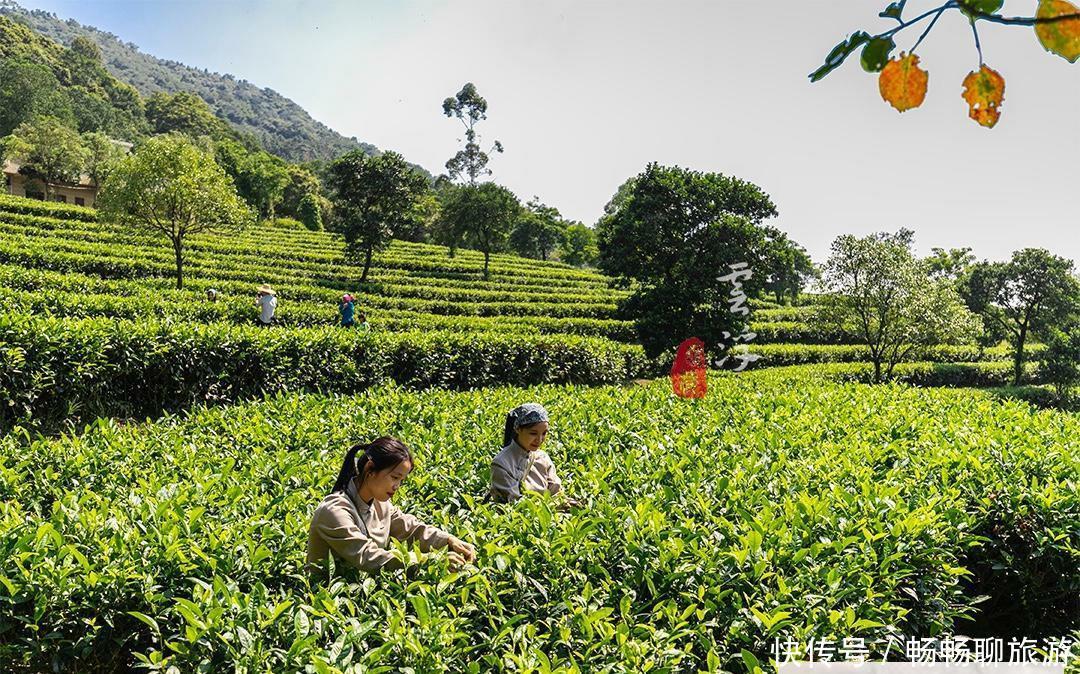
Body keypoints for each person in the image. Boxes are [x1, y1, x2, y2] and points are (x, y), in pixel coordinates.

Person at [306, 436, 476, 574]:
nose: (397, 486)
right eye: (394, 477)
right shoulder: (334, 511)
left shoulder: (381, 504)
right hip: (325, 605)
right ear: (370, 469)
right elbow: (368, 556)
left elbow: (412, 529)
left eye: (402, 480)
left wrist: (449, 541)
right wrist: (433, 560)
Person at [489, 403, 574, 505]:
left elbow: (556, 493)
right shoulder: (502, 463)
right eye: (533, 433)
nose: (539, 440)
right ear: (518, 429)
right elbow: (514, 505)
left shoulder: (543, 457)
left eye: (544, 433)